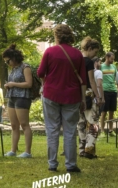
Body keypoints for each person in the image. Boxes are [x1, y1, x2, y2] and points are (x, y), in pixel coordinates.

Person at [37, 24, 86, 172]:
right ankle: (70, 165)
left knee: (52, 129)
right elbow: (83, 79)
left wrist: (44, 85)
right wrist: (83, 99)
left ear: (57, 36)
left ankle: (52, 164)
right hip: (72, 97)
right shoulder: (77, 54)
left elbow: (40, 73)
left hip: (51, 94)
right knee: (70, 131)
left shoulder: (50, 52)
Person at [3, 44, 33, 158]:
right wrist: (8, 85)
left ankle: (27, 152)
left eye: (8, 61)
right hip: (12, 98)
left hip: (22, 98)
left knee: (24, 124)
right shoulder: (13, 69)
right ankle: (13, 150)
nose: (7, 63)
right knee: (14, 126)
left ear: (14, 57)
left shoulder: (25, 67)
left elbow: (29, 84)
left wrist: (13, 84)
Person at [77, 37, 103, 159]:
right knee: (93, 123)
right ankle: (89, 148)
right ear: (90, 48)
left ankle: (81, 150)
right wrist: (98, 96)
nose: (95, 55)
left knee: (80, 123)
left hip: (77, 94)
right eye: (95, 52)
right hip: (87, 93)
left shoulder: (76, 60)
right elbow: (92, 81)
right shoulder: (88, 62)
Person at [99, 52, 117, 136]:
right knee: (103, 112)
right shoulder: (101, 67)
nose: (112, 61)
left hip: (113, 90)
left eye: (113, 59)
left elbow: (116, 78)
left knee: (111, 112)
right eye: (111, 59)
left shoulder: (114, 67)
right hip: (105, 91)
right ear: (106, 57)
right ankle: (102, 130)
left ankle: (110, 130)